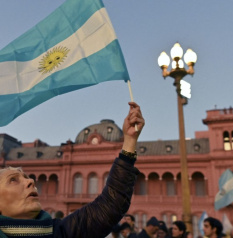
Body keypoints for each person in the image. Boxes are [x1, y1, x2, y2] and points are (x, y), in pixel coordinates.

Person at [0, 102, 145, 238]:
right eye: (13, 180)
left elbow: (110, 205)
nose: (30, 181)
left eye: (27, 177)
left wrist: (129, 141)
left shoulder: (60, 232)